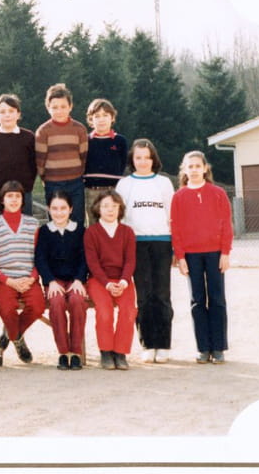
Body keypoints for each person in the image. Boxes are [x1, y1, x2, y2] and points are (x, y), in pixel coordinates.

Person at [170, 150, 233, 364]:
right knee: (197, 300)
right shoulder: (179, 197)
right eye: (190, 166)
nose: (195, 170)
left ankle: (218, 348)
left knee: (217, 298)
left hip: (215, 253)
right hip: (191, 255)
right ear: (185, 170)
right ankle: (203, 348)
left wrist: (225, 252)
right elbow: (176, 228)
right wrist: (180, 257)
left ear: (205, 168)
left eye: (198, 166)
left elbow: (226, 224)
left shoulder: (218, 193)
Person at [116, 139, 175, 364]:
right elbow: (120, 217)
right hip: (136, 244)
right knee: (144, 296)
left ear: (153, 159)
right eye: (138, 157)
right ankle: (148, 344)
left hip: (162, 242)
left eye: (147, 158)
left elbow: (172, 214)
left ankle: (163, 344)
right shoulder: (124, 184)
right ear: (132, 159)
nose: (143, 162)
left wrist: (174, 246)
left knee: (162, 295)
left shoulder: (163, 183)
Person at [0, 180, 44, 363]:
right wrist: (9, 281)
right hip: (6, 281)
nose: (14, 200)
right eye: (9, 196)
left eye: (18, 196)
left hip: (28, 279)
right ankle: (18, 339)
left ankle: (9, 334)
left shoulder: (33, 224)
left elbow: (39, 258)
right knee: (7, 309)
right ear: (2, 200)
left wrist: (32, 278)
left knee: (38, 306)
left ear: (23, 200)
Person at [34, 190, 88, 370]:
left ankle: (76, 352)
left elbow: (85, 258)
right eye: (55, 208)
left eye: (63, 208)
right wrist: (50, 281)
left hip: (75, 280)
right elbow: (40, 259)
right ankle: (64, 352)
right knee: (56, 302)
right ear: (49, 209)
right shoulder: (44, 231)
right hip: (54, 280)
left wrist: (79, 279)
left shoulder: (80, 230)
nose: (59, 212)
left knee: (77, 300)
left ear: (71, 209)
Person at [84, 189, 137, 371]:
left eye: (114, 206)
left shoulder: (127, 232)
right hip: (99, 281)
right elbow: (92, 263)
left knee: (128, 311)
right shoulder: (91, 232)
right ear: (98, 208)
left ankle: (120, 353)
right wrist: (107, 283)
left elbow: (130, 260)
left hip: (123, 281)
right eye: (105, 206)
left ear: (120, 209)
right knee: (105, 311)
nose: (110, 210)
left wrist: (123, 281)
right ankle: (106, 352)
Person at [35, 83, 88, 227]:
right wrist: (45, 178)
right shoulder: (43, 131)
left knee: (77, 221)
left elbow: (83, 156)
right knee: (56, 222)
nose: (59, 111)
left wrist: (78, 174)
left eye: (63, 107)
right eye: (55, 107)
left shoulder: (79, 129)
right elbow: (40, 160)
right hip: (53, 183)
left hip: (76, 182)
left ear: (70, 107)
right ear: (48, 108)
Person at [0, 94, 36, 217]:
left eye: (11, 111)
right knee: (1, 227)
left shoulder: (29, 137)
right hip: (0, 193)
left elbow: (33, 164)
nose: (7, 115)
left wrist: (27, 185)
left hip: (24, 192)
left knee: (26, 226)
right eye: (2, 112)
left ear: (18, 114)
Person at [83, 99, 128, 225]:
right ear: (91, 119)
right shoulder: (86, 141)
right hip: (92, 191)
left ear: (112, 118)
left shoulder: (120, 141)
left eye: (105, 115)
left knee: (114, 224)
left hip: (114, 190)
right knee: (94, 226)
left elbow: (122, 163)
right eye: (97, 116)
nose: (101, 119)